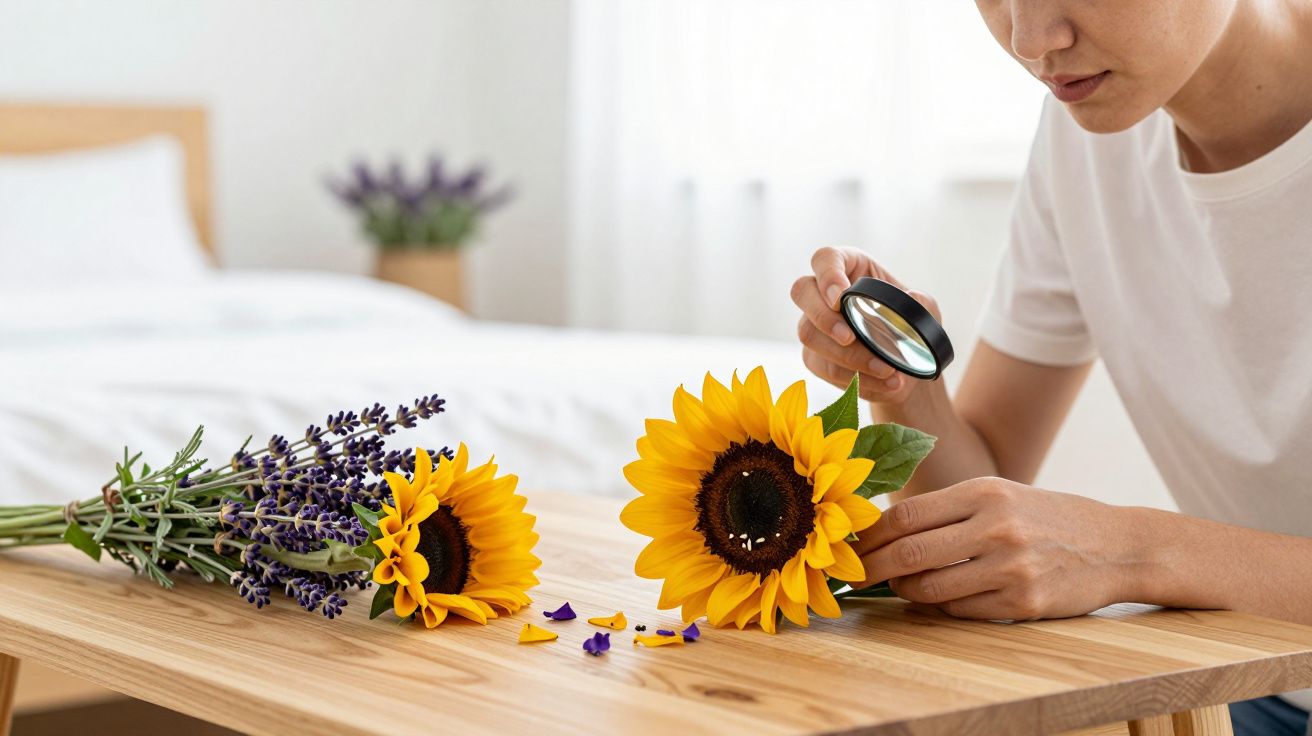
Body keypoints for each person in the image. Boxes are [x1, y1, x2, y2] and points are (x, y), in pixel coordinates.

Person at [790, 2, 1312, 734]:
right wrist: (904, 389)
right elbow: (986, 472)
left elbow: (1130, 556)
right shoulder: (1091, 136)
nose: (1031, 40)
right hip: (1268, 687)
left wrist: (1135, 554)